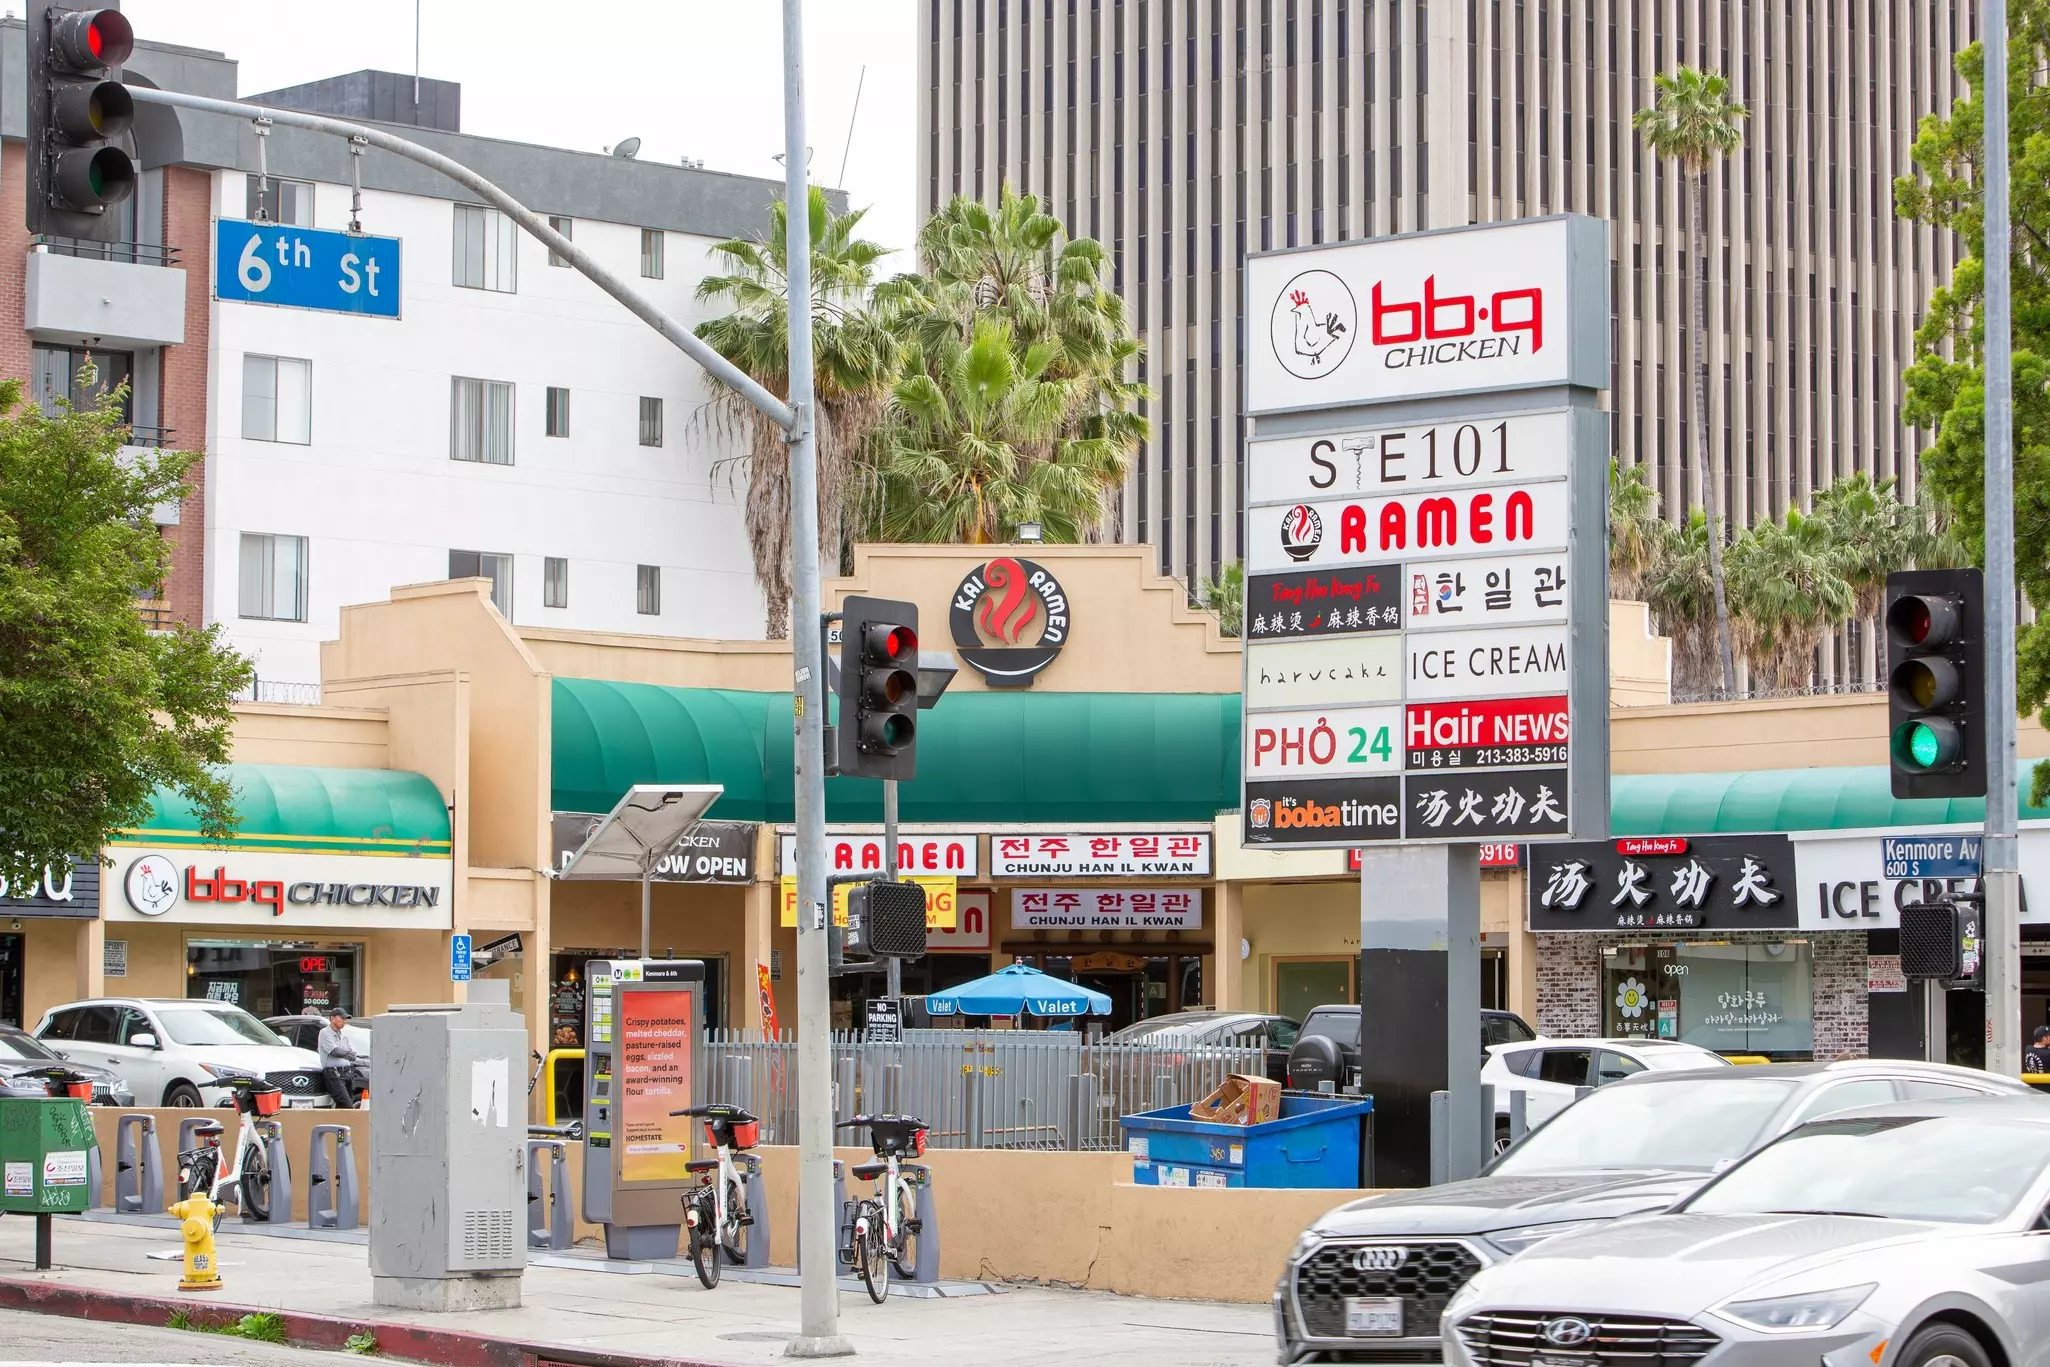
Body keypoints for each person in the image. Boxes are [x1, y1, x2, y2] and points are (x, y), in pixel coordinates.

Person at [317, 1009, 363, 1108]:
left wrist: (343, 1053)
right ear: (332, 1018)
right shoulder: (325, 1032)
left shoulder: (343, 1035)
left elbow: (353, 1055)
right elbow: (335, 1051)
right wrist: (346, 1053)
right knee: (346, 1105)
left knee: (345, 1105)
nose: (344, 1021)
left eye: (345, 1019)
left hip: (347, 1072)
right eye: (342, 1018)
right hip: (334, 1072)